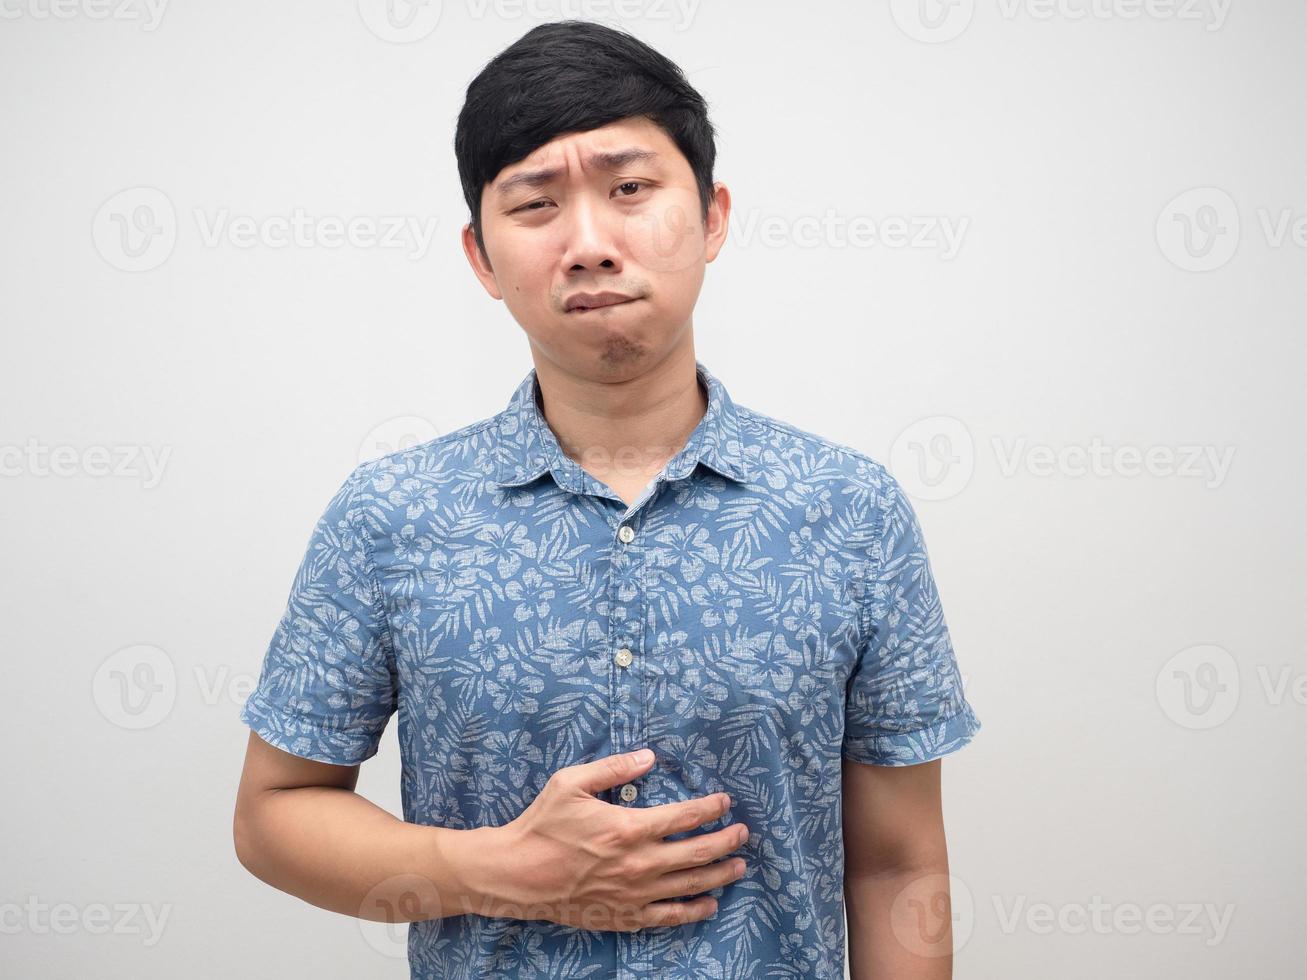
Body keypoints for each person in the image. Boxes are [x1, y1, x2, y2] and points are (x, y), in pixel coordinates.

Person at [233, 19, 981, 980]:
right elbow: (272, 816)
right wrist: (494, 870)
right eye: (536, 204)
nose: (590, 243)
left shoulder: (849, 512)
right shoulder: (392, 517)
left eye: (631, 190)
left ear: (711, 216)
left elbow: (897, 864)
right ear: (481, 257)